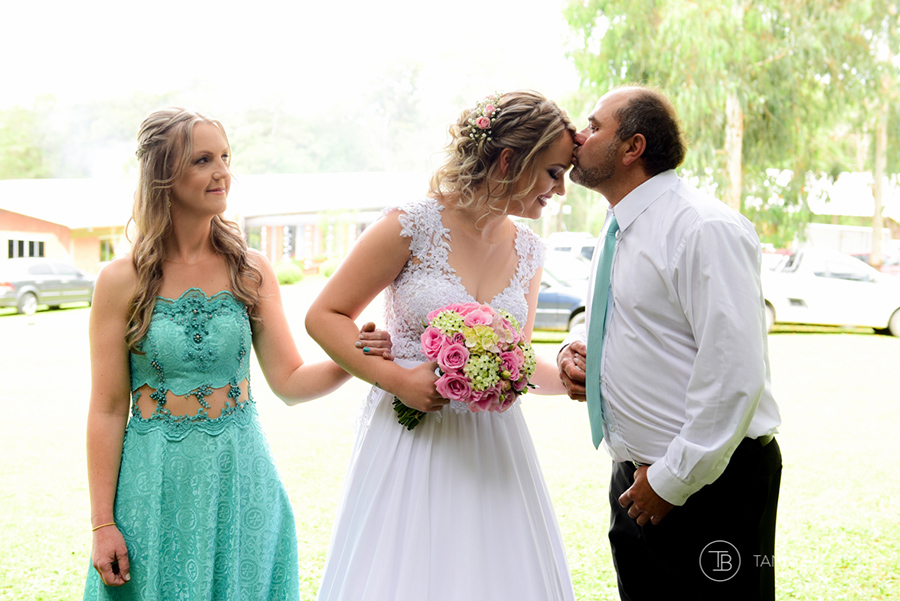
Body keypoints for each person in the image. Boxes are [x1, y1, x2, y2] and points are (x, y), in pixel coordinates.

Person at [83, 107, 389, 600]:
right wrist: (102, 523)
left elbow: (289, 382)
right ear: (163, 173)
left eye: (225, 157)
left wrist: (354, 358)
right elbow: (108, 407)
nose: (223, 171)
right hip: (154, 486)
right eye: (203, 159)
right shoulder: (120, 280)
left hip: (241, 480)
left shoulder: (251, 270)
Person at [306, 90, 578, 601]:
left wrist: (565, 377)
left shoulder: (529, 250)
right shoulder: (410, 226)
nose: (560, 189)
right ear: (507, 161)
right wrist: (400, 380)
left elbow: (516, 362)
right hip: (410, 444)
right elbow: (324, 316)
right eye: (553, 172)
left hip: (494, 450)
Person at [557, 85, 782, 601]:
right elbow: (621, 322)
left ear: (632, 147)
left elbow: (734, 370)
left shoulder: (703, 227)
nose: (577, 135)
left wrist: (673, 480)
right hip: (633, 480)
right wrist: (574, 350)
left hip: (708, 483)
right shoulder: (615, 227)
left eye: (593, 126)